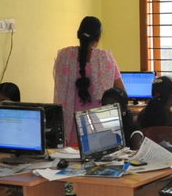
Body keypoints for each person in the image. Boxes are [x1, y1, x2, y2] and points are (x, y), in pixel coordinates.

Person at [53, 16, 124, 146]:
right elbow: (121, 93)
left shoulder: (64, 56)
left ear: (79, 35)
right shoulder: (105, 58)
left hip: (70, 126)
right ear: (98, 37)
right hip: (99, 125)